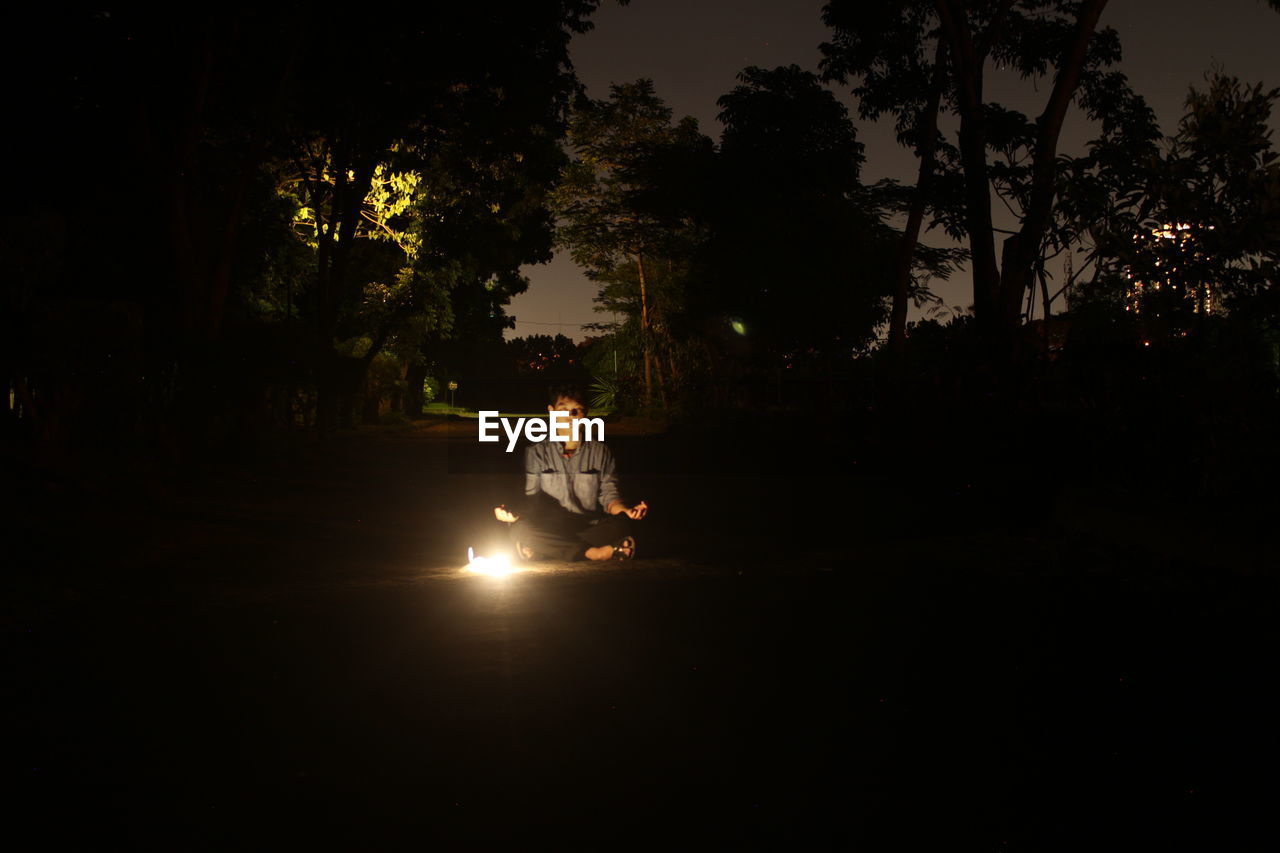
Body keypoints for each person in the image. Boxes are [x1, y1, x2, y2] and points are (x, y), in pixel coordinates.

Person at [493, 385, 648, 561]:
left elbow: (610, 496)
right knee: (519, 529)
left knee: (621, 525)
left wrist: (627, 511)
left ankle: (547, 549)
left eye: (577, 410)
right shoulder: (536, 452)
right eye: (563, 409)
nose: (571, 416)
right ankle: (593, 553)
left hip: (590, 526)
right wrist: (513, 513)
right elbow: (532, 497)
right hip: (550, 526)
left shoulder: (601, 451)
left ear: (586, 413)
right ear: (551, 412)